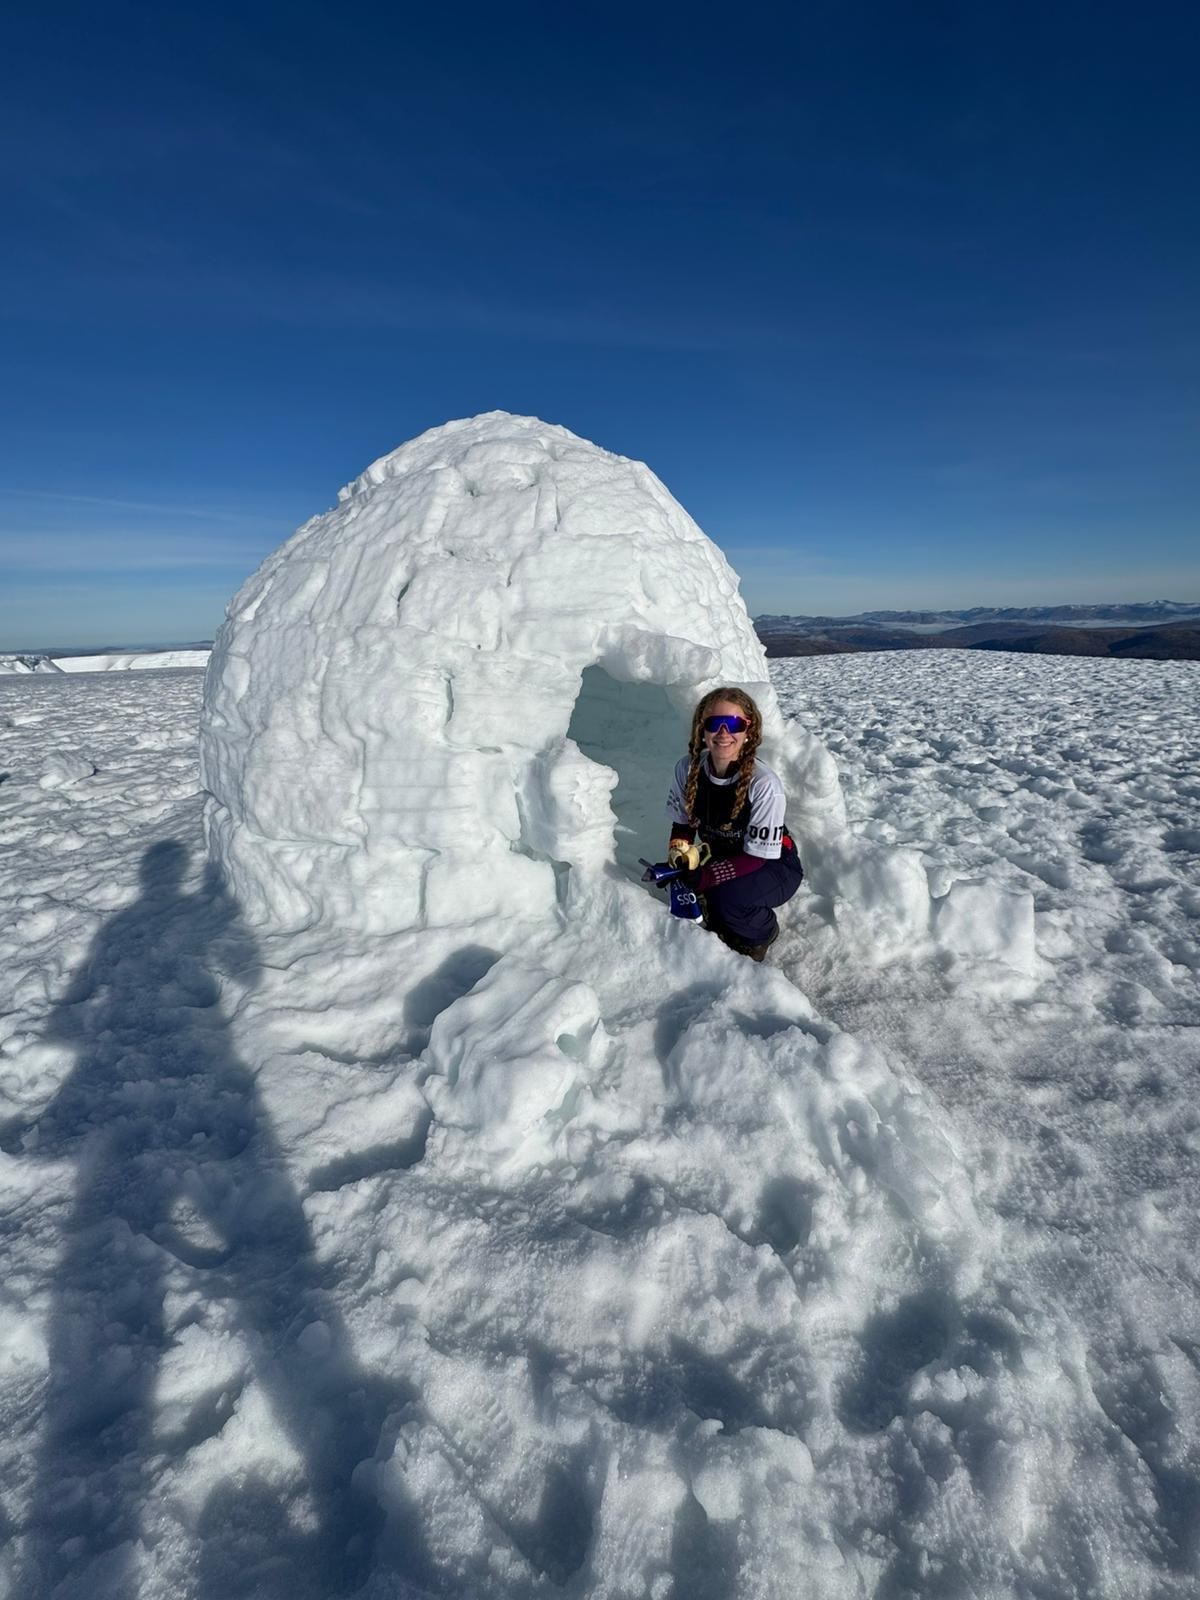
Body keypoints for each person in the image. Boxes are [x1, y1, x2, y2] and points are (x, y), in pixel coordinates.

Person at [664, 687, 803, 960]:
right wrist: (679, 857)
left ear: (748, 731)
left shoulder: (763, 784)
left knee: (726, 900)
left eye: (735, 724)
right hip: (726, 855)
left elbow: (756, 858)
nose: (724, 733)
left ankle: (762, 933)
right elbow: (682, 826)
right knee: (687, 888)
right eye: (714, 723)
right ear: (702, 730)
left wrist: (707, 877)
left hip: (773, 864)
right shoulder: (687, 769)